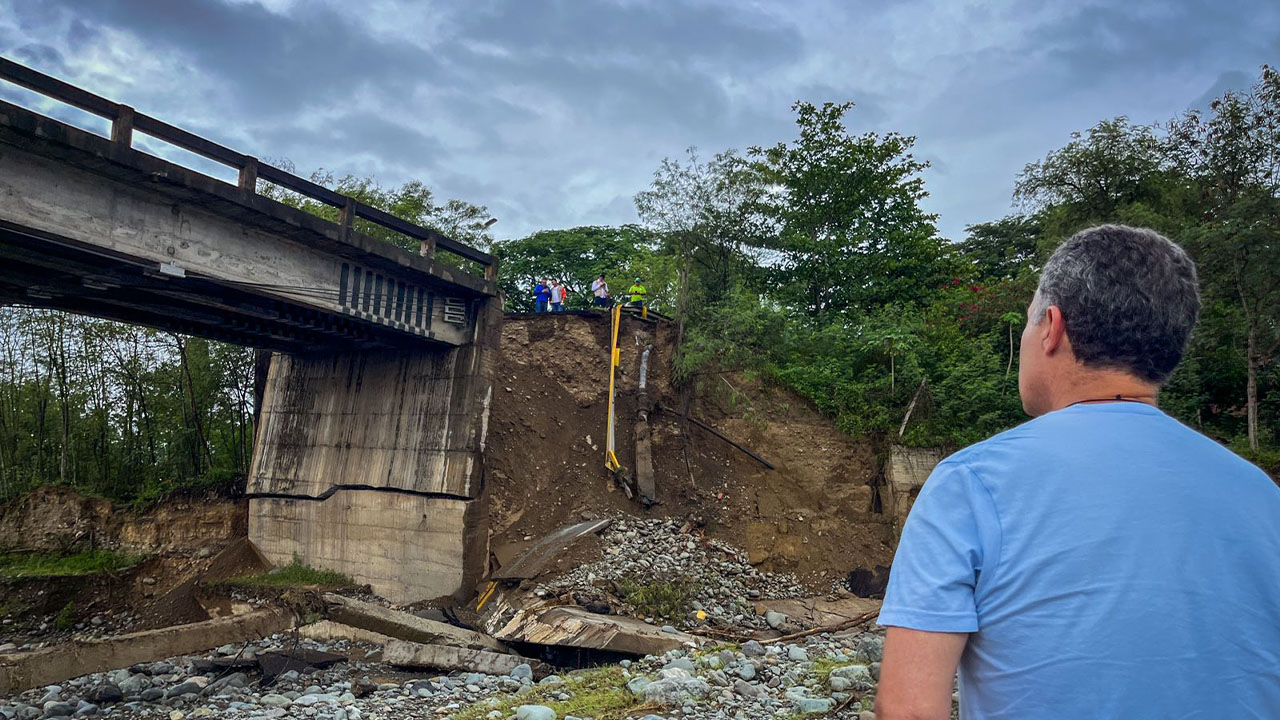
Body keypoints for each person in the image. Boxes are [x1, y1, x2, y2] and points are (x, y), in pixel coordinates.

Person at [875, 225, 1280, 719]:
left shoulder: (972, 484)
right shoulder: (1261, 495)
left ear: (1052, 328)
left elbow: (911, 709)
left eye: (1027, 323)